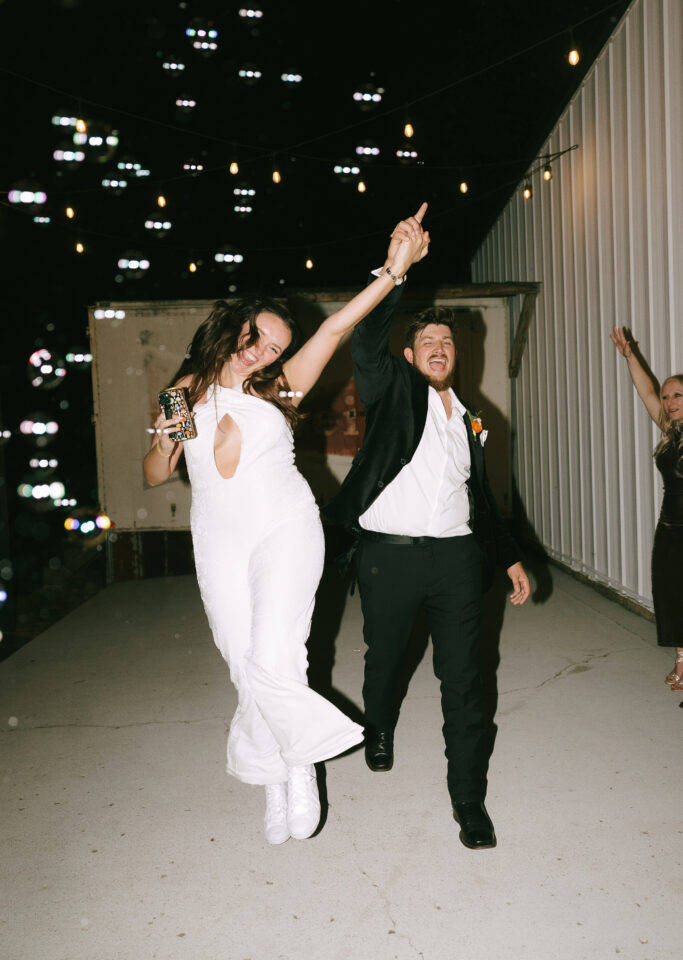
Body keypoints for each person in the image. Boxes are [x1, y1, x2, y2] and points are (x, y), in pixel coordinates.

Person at [142, 204, 430, 846]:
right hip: (218, 536)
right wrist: (164, 443)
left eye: (275, 348)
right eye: (258, 341)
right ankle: (276, 773)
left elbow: (331, 331)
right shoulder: (180, 393)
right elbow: (157, 474)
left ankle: (297, 770)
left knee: (277, 655)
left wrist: (394, 269)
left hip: (286, 526)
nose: (265, 354)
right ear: (233, 329)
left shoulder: (279, 390)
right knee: (244, 663)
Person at [323, 265, 530, 851]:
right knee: (385, 659)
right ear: (410, 356)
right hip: (389, 560)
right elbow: (365, 339)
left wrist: (509, 557)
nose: (439, 349)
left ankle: (468, 800)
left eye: (447, 342)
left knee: (465, 679)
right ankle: (379, 725)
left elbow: (481, 499)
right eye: (427, 343)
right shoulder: (394, 392)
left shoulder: (471, 418)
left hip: (458, 561)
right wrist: (396, 272)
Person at [610, 327, 683, 691]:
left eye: (678, 395)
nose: (669, 401)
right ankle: (682, 661)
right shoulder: (670, 430)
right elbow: (646, 391)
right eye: (668, 396)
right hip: (669, 528)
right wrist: (630, 356)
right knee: (671, 596)